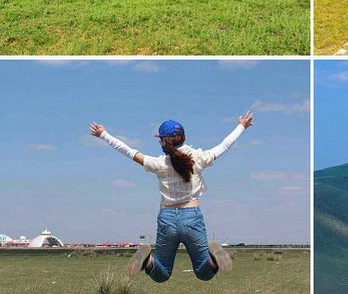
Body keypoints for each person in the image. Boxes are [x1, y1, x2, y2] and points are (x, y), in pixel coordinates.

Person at [88, 111, 255, 283]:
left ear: (163, 141)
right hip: (192, 216)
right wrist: (242, 125)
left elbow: (129, 151)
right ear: (184, 137)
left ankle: (148, 261)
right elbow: (224, 145)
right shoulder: (198, 157)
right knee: (203, 272)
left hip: (166, 218)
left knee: (162, 273)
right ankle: (213, 259)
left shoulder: (159, 163)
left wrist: (104, 135)